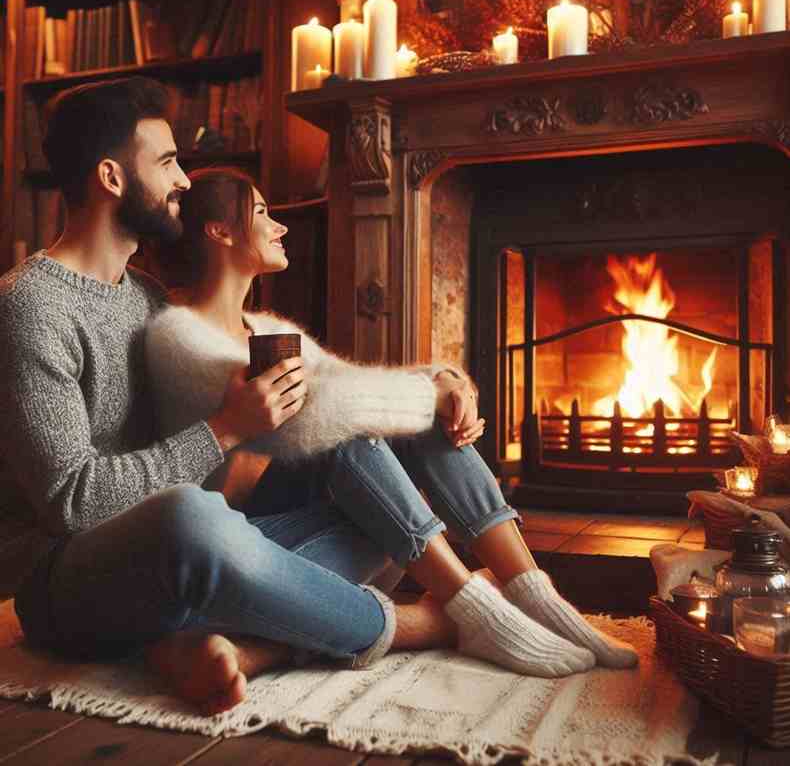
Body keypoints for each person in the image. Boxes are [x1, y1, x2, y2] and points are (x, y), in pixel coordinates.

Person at [0, 77, 487, 717]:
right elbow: (73, 502)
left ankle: (214, 638)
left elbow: (325, 385)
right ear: (113, 178)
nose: (183, 180)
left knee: (381, 496)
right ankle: (423, 624)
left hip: (183, 556)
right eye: (168, 161)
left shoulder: (147, 299)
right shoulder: (30, 306)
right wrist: (223, 431)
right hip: (67, 584)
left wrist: (436, 381)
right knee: (192, 519)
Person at [143, 166, 638, 686]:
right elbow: (315, 416)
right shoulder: (177, 335)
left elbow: (353, 386)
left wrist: (445, 384)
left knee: (409, 427)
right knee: (355, 432)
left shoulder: (268, 329)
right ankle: (474, 609)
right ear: (219, 231)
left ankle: (535, 595)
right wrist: (430, 394)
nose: (281, 227)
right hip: (244, 553)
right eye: (263, 213)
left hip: (303, 530)